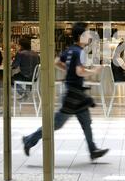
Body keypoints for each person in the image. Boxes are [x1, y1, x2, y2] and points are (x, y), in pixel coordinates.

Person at [22, 23, 109, 161]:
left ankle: (93, 150)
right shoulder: (79, 52)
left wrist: (68, 70)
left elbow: (56, 62)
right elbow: (79, 72)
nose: (89, 37)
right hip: (72, 94)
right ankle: (29, 140)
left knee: (86, 122)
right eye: (86, 35)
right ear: (80, 37)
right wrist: (94, 71)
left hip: (76, 93)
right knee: (57, 124)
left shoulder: (70, 50)